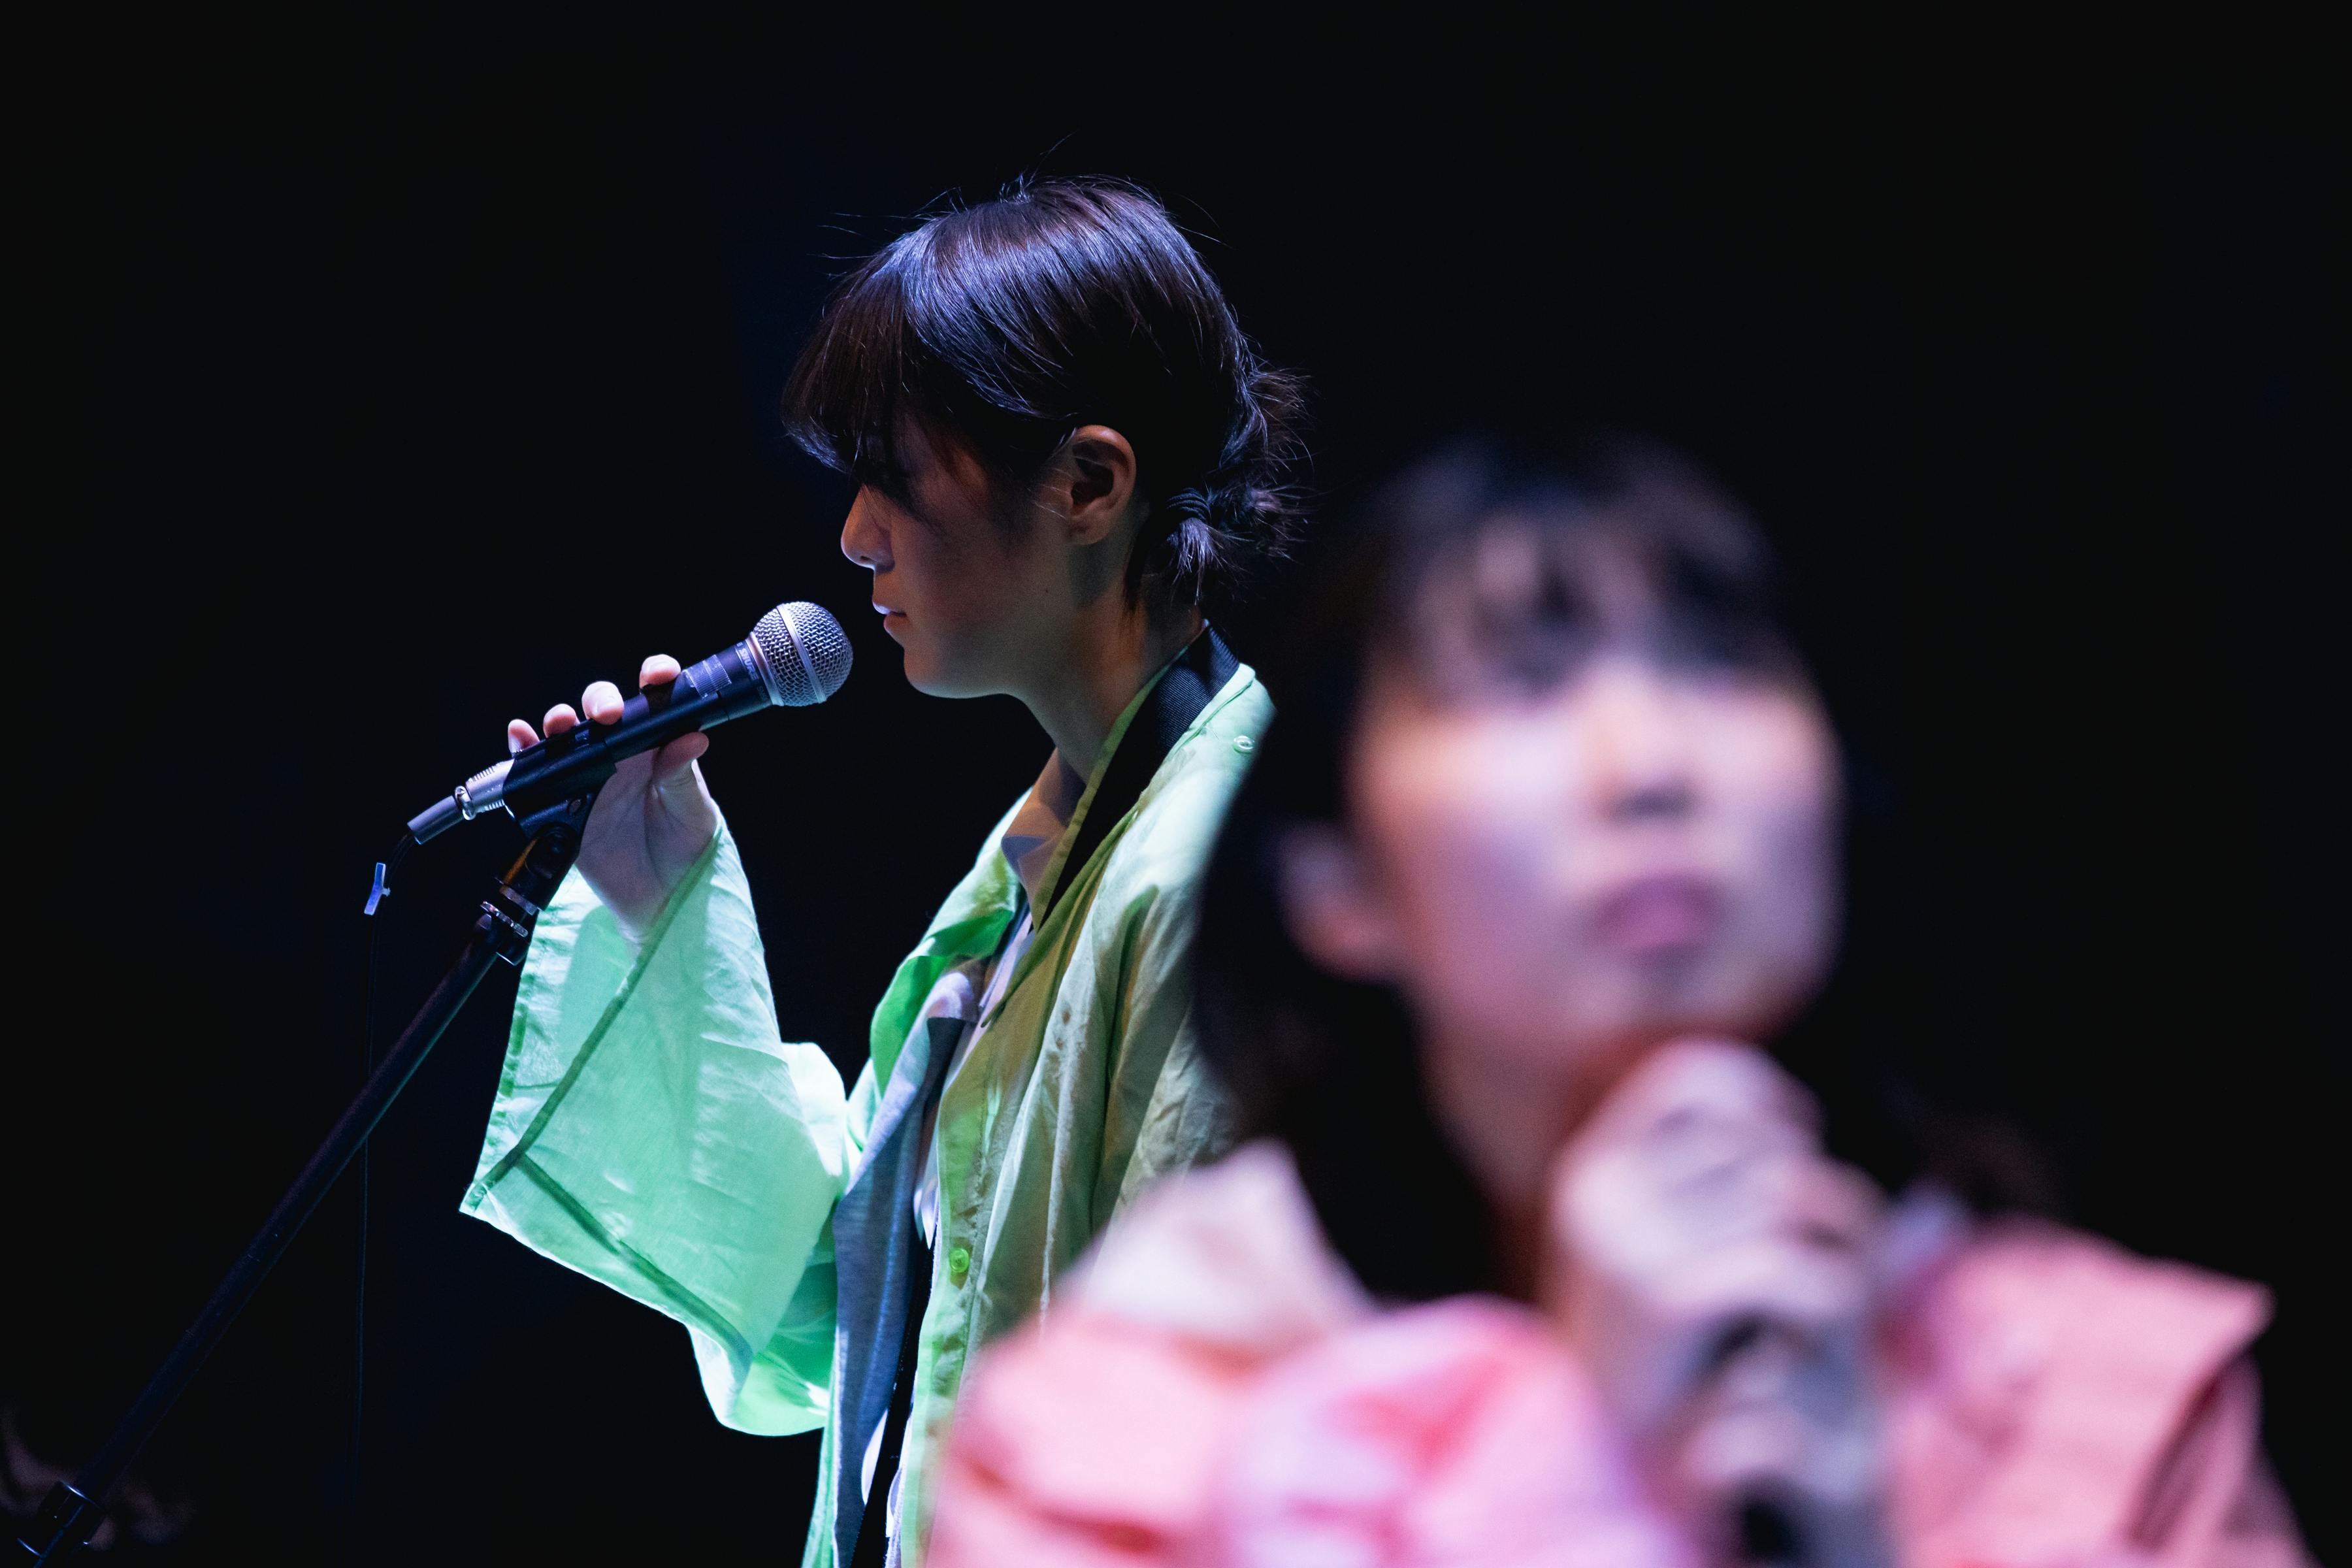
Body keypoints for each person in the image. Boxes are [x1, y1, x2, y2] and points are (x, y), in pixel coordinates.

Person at [928, 441, 2311, 1567]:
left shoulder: (2099, 1393)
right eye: (1524, 682)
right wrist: (1567, 1463)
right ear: (1337, 881)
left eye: (1721, 668)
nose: (1651, 764)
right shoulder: (1117, 1438)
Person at [457, 179, 1299, 1568]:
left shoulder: (1216, 868)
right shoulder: (1038, 862)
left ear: (1089, 486)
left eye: (894, 479)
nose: (854, 535)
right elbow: (862, 1324)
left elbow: (1195, 1431)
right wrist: (655, 887)